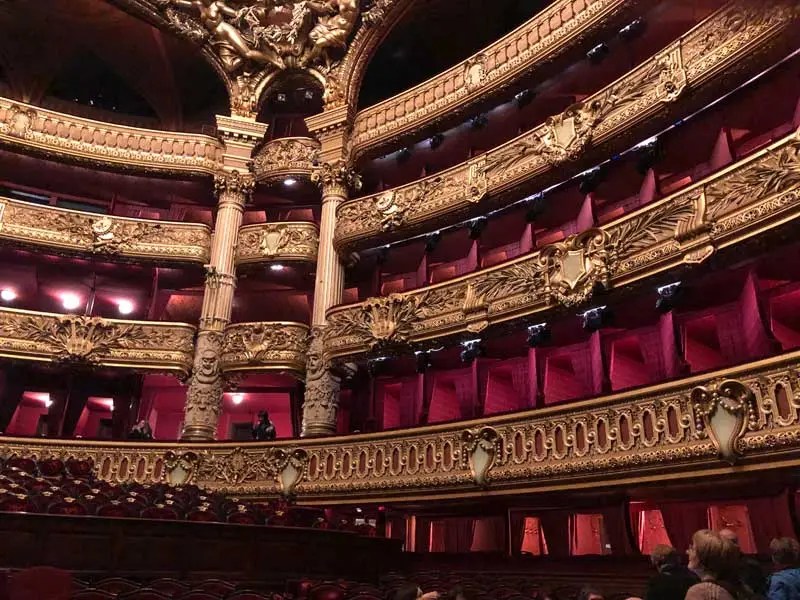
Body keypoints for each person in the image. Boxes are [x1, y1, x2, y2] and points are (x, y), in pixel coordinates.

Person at [685, 529, 750, 600]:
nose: (687, 552)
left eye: (693, 549)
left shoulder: (700, 591)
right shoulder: (731, 587)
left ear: (704, 557)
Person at [719, 528, 767, 596]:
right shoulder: (715, 564)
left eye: (735, 541)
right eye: (731, 541)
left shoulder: (751, 567)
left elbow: (756, 593)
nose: (735, 545)